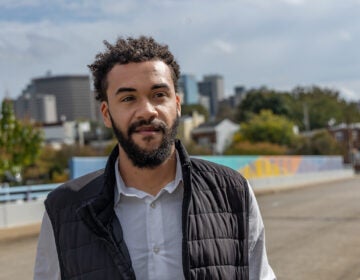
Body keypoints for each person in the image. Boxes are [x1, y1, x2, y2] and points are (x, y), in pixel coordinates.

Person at [34, 36, 276, 280]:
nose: (148, 110)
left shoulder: (233, 191)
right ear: (106, 114)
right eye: (128, 98)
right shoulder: (63, 209)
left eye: (159, 94)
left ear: (178, 105)